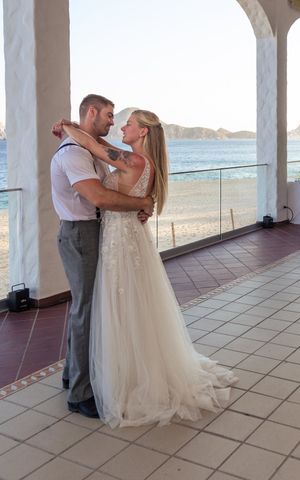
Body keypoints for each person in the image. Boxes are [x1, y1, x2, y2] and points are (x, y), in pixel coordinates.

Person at [56, 110, 237, 428]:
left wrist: (68, 126)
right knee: (128, 305)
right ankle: (112, 370)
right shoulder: (140, 162)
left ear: (142, 133)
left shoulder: (134, 161)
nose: (122, 127)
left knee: (121, 304)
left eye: (128, 123)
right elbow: (99, 145)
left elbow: (97, 149)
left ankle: (123, 376)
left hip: (120, 240)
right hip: (122, 236)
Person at [50, 94, 154, 419]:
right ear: (91, 112)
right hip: (81, 234)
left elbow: (108, 165)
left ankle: (72, 375)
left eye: (121, 119)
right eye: (109, 115)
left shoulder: (88, 148)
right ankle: (80, 394)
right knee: (87, 309)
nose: (114, 121)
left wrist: (68, 126)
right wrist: (142, 203)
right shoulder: (73, 153)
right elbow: (98, 196)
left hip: (98, 233)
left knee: (87, 307)